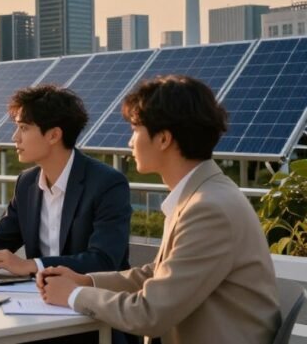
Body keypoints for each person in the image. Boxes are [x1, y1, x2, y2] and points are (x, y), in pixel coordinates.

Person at [39, 75, 281, 344]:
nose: (130, 142)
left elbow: (149, 314)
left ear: (164, 138)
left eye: (135, 129)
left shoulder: (209, 209)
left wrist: (73, 295)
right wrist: (86, 281)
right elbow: (157, 273)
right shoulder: (201, 196)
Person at [0, 84, 132, 277]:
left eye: (24, 128)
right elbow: (3, 237)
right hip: (39, 297)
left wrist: (33, 265)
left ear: (54, 135)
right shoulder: (26, 182)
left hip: (92, 299)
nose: (15, 137)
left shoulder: (107, 183)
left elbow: (104, 260)